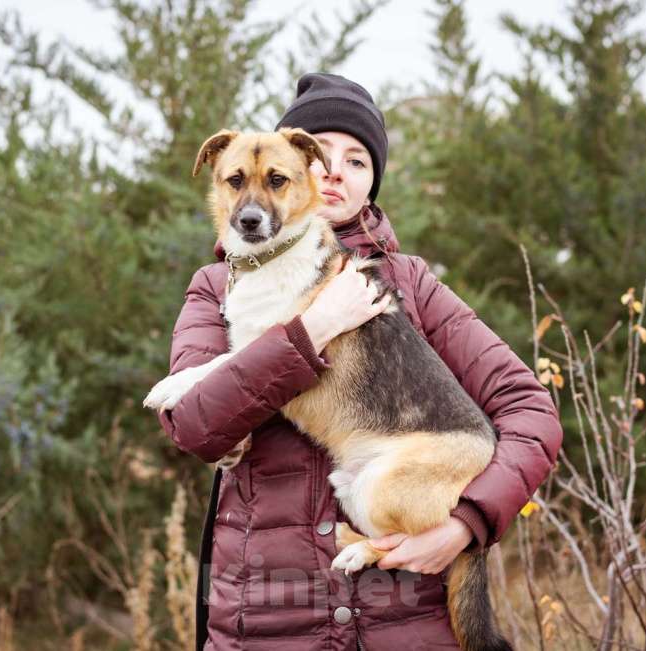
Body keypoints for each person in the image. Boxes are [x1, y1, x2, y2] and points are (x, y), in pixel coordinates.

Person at [157, 72, 563, 651]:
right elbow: (197, 425)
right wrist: (314, 328)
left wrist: (464, 525)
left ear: (372, 182)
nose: (333, 172)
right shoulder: (215, 287)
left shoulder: (412, 284)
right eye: (322, 155)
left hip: (404, 614)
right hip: (270, 616)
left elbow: (529, 410)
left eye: (356, 161)